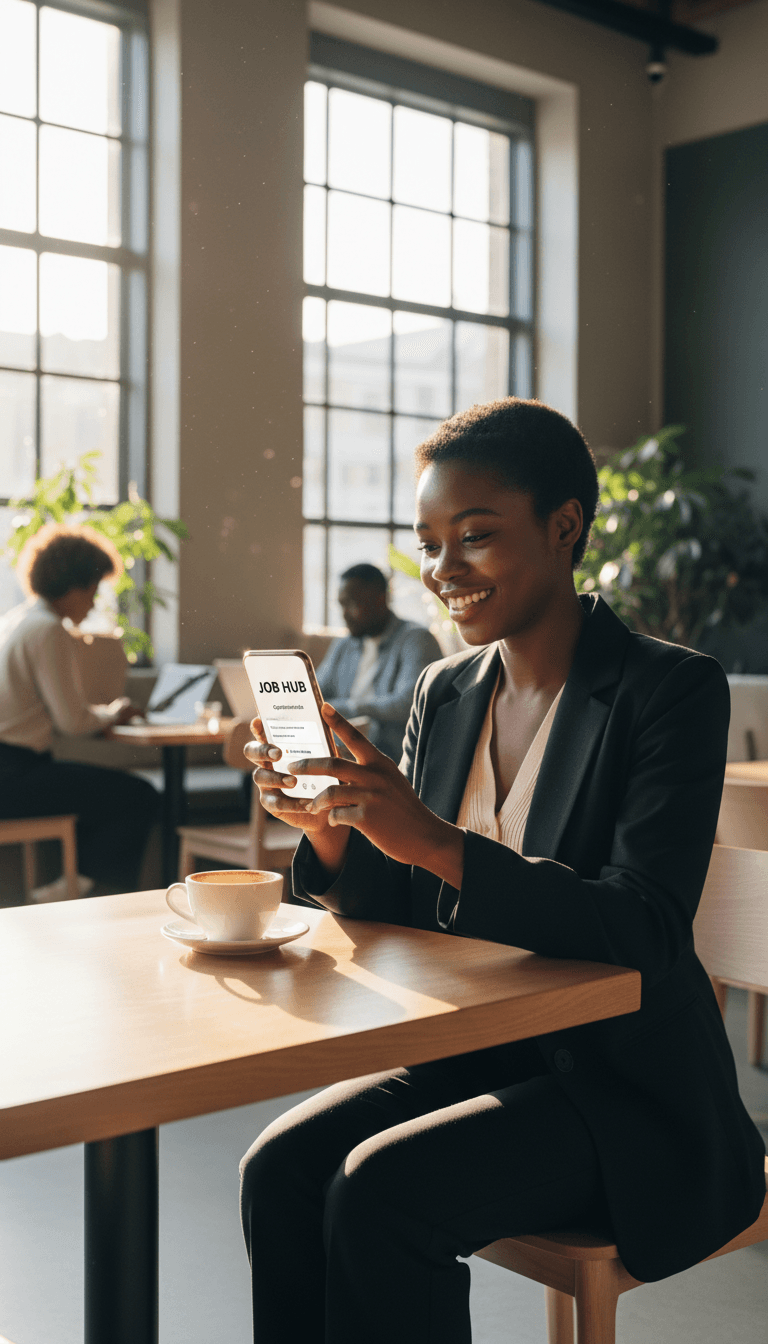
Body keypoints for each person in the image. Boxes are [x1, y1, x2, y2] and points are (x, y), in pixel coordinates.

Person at [240, 398, 766, 1344]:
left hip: (621, 1087)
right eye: (430, 544)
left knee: (381, 1193)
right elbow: (398, 909)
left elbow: (643, 927)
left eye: (474, 538)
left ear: (564, 527)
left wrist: (436, 839)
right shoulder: (446, 691)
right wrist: (331, 831)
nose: (444, 571)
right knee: (277, 1169)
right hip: (480, 1053)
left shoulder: (668, 689)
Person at [0, 523, 158, 898]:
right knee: (139, 796)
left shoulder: (18, 621)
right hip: (14, 774)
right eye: (94, 589)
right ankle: (87, 893)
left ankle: (77, 884)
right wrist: (114, 712)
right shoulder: (48, 630)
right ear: (76, 585)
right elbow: (73, 721)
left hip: (9, 772)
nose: (93, 602)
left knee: (99, 790)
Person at [315, 562, 441, 761]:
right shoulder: (345, 645)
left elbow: (409, 703)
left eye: (352, 604)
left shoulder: (416, 639)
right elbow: (316, 691)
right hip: (343, 748)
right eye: (341, 605)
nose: (344, 615)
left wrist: (346, 708)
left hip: (391, 756)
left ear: (379, 600)